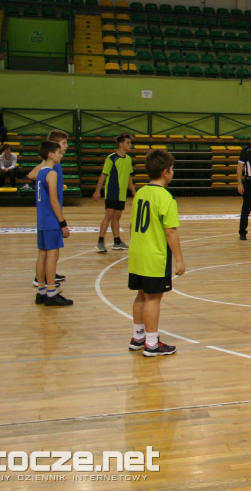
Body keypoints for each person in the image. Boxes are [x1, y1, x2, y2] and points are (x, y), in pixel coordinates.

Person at [128, 149, 185, 357]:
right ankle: (152, 343)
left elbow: (133, 223)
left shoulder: (141, 193)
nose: (173, 172)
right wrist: (179, 259)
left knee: (141, 295)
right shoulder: (166, 197)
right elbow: (170, 231)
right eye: (172, 169)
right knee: (153, 298)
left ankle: (138, 337)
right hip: (155, 256)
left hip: (137, 253)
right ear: (165, 172)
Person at [29, 130, 69, 287]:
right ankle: (47, 284)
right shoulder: (50, 169)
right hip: (51, 215)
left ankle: (45, 280)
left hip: (44, 216)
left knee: (45, 252)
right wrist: (62, 221)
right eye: (64, 144)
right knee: (52, 252)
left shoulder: (51, 168)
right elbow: (32, 175)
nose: (66, 147)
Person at [34, 140, 72, 306]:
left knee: (42, 254)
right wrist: (62, 222)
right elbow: (54, 202)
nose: (61, 155)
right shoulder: (52, 174)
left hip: (41, 219)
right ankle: (51, 293)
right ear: (51, 154)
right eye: (59, 153)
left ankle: (41, 292)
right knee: (53, 255)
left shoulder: (41, 172)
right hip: (51, 220)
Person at [93, 133, 137, 253]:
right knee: (108, 216)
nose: (130, 145)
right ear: (120, 144)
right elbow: (104, 174)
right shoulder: (112, 158)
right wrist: (97, 190)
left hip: (122, 194)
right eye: (128, 142)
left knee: (117, 217)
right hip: (112, 192)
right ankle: (100, 241)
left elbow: (128, 176)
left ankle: (117, 241)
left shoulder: (128, 159)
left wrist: (133, 191)